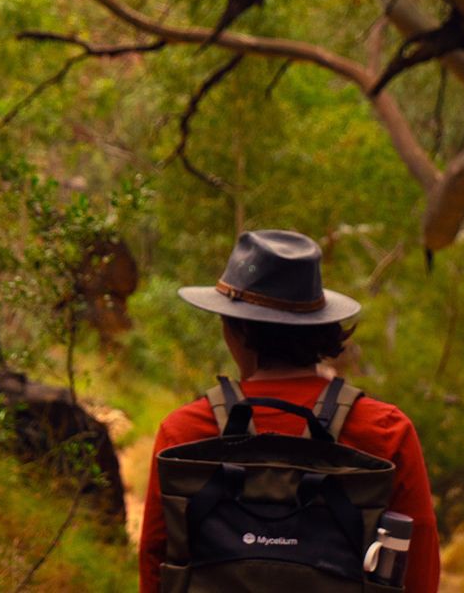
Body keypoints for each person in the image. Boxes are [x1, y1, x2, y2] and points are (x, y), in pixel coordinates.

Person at [139, 230, 440, 592]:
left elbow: (155, 567)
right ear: (321, 327)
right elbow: (419, 572)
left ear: (236, 330)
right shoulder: (386, 431)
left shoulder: (183, 433)